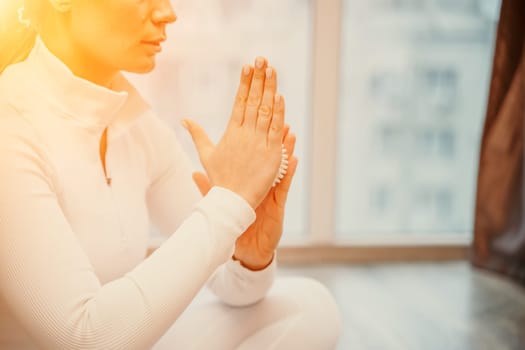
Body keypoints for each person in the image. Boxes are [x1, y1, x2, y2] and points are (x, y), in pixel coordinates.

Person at [0, 0, 342, 349]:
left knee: (312, 307)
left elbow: (233, 287)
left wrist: (249, 253)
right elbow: (86, 339)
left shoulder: (135, 125)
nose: (168, 13)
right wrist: (229, 203)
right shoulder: (10, 129)